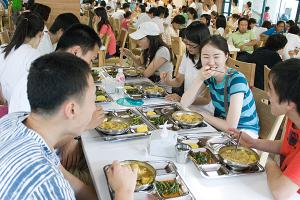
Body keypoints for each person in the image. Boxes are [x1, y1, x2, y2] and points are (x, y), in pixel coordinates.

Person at [0, 52, 137, 200]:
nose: (94, 108)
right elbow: (55, 182)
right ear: (72, 110)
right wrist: (124, 191)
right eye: (92, 100)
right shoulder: (48, 184)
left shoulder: (15, 119)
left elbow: (68, 180)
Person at [229, 58, 300, 199]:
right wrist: (254, 143)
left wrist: (267, 161)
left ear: (289, 103)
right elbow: (286, 145)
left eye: (271, 89)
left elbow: (281, 193)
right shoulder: (293, 118)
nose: (267, 93)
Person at [181, 35, 260, 137]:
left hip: (244, 132)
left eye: (216, 56)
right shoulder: (209, 76)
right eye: (205, 56)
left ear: (226, 56)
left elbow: (231, 126)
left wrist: (200, 114)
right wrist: (199, 78)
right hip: (222, 126)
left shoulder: (236, 80)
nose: (211, 62)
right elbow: (184, 103)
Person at [160, 22, 214, 113]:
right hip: (186, 106)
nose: (188, 47)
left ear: (203, 43)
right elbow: (178, 81)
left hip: (204, 111)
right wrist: (167, 80)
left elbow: (206, 99)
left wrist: (181, 98)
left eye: (192, 45)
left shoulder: (211, 62)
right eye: (186, 43)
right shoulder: (187, 56)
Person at [0, 12, 43, 105]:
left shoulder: (3, 49)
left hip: (6, 108)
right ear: (40, 34)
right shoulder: (34, 55)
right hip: (21, 112)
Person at [121, 21, 173, 92]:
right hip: (148, 85)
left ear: (151, 38)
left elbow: (146, 74)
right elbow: (141, 62)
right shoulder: (147, 48)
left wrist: (133, 72)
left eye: (140, 39)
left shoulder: (163, 51)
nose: (138, 42)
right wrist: (131, 54)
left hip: (161, 91)